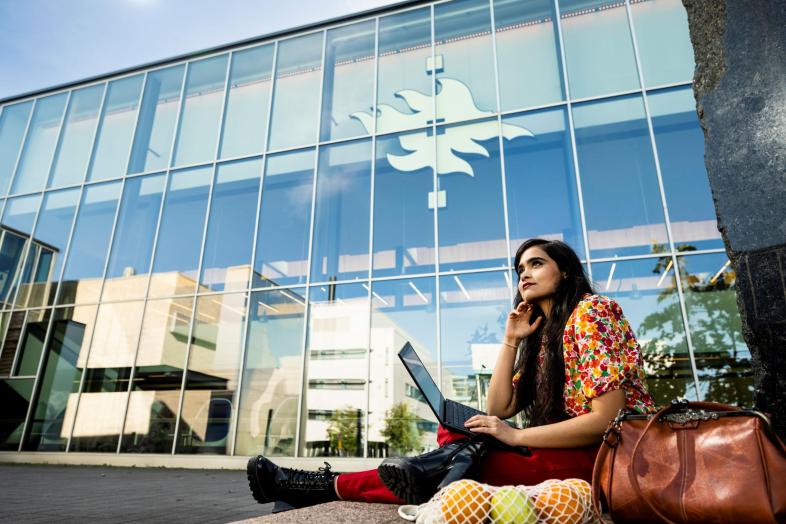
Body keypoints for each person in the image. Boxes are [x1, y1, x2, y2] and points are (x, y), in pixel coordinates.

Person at [246, 238, 656, 509]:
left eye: (536, 263)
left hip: (608, 459)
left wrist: (512, 436)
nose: (524, 274)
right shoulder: (542, 337)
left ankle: (315, 486)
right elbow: (501, 406)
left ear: (565, 271)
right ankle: (425, 473)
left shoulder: (592, 312)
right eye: (519, 269)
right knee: (459, 436)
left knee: (462, 457)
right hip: (565, 450)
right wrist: (512, 339)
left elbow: (608, 420)